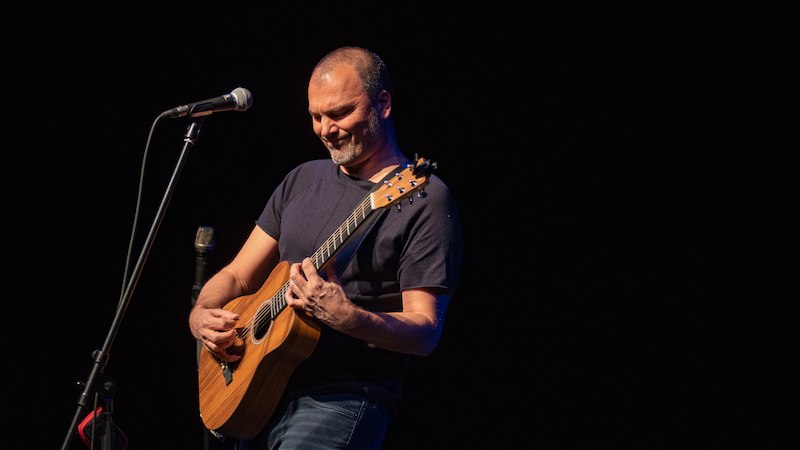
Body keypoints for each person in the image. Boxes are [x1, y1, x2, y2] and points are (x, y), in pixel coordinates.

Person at [189, 46, 463, 450]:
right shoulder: (302, 179)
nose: (325, 129)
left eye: (340, 114)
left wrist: (349, 317)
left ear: (382, 104)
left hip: (341, 398)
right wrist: (200, 315)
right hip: (258, 387)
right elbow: (236, 274)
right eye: (316, 116)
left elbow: (425, 332)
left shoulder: (423, 198)